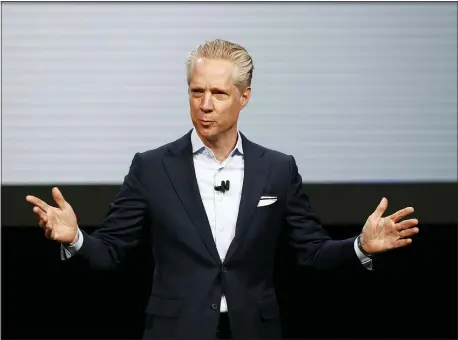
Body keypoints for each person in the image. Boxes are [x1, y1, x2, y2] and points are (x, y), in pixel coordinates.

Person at [25, 39, 419, 340]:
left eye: (218, 93)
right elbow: (110, 252)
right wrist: (74, 238)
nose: (205, 105)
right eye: (197, 92)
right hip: (175, 330)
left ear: (244, 97)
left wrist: (360, 246)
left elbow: (312, 253)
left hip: (253, 330)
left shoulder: (277, 169)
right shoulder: (151, 167)